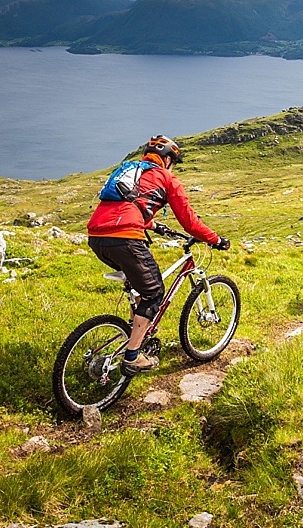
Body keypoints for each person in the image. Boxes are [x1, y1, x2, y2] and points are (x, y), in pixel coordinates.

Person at [87, 135, 229, 375]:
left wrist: (154, 226)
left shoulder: (130, 169)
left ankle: (135, 333)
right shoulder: (167, 178)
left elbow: (128, 204)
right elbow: (190, 223)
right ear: (168, 159)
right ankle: (132, 357)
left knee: (139, 286)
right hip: (126, 238)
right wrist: (216, 240)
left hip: (97, 237)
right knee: (154, 294)